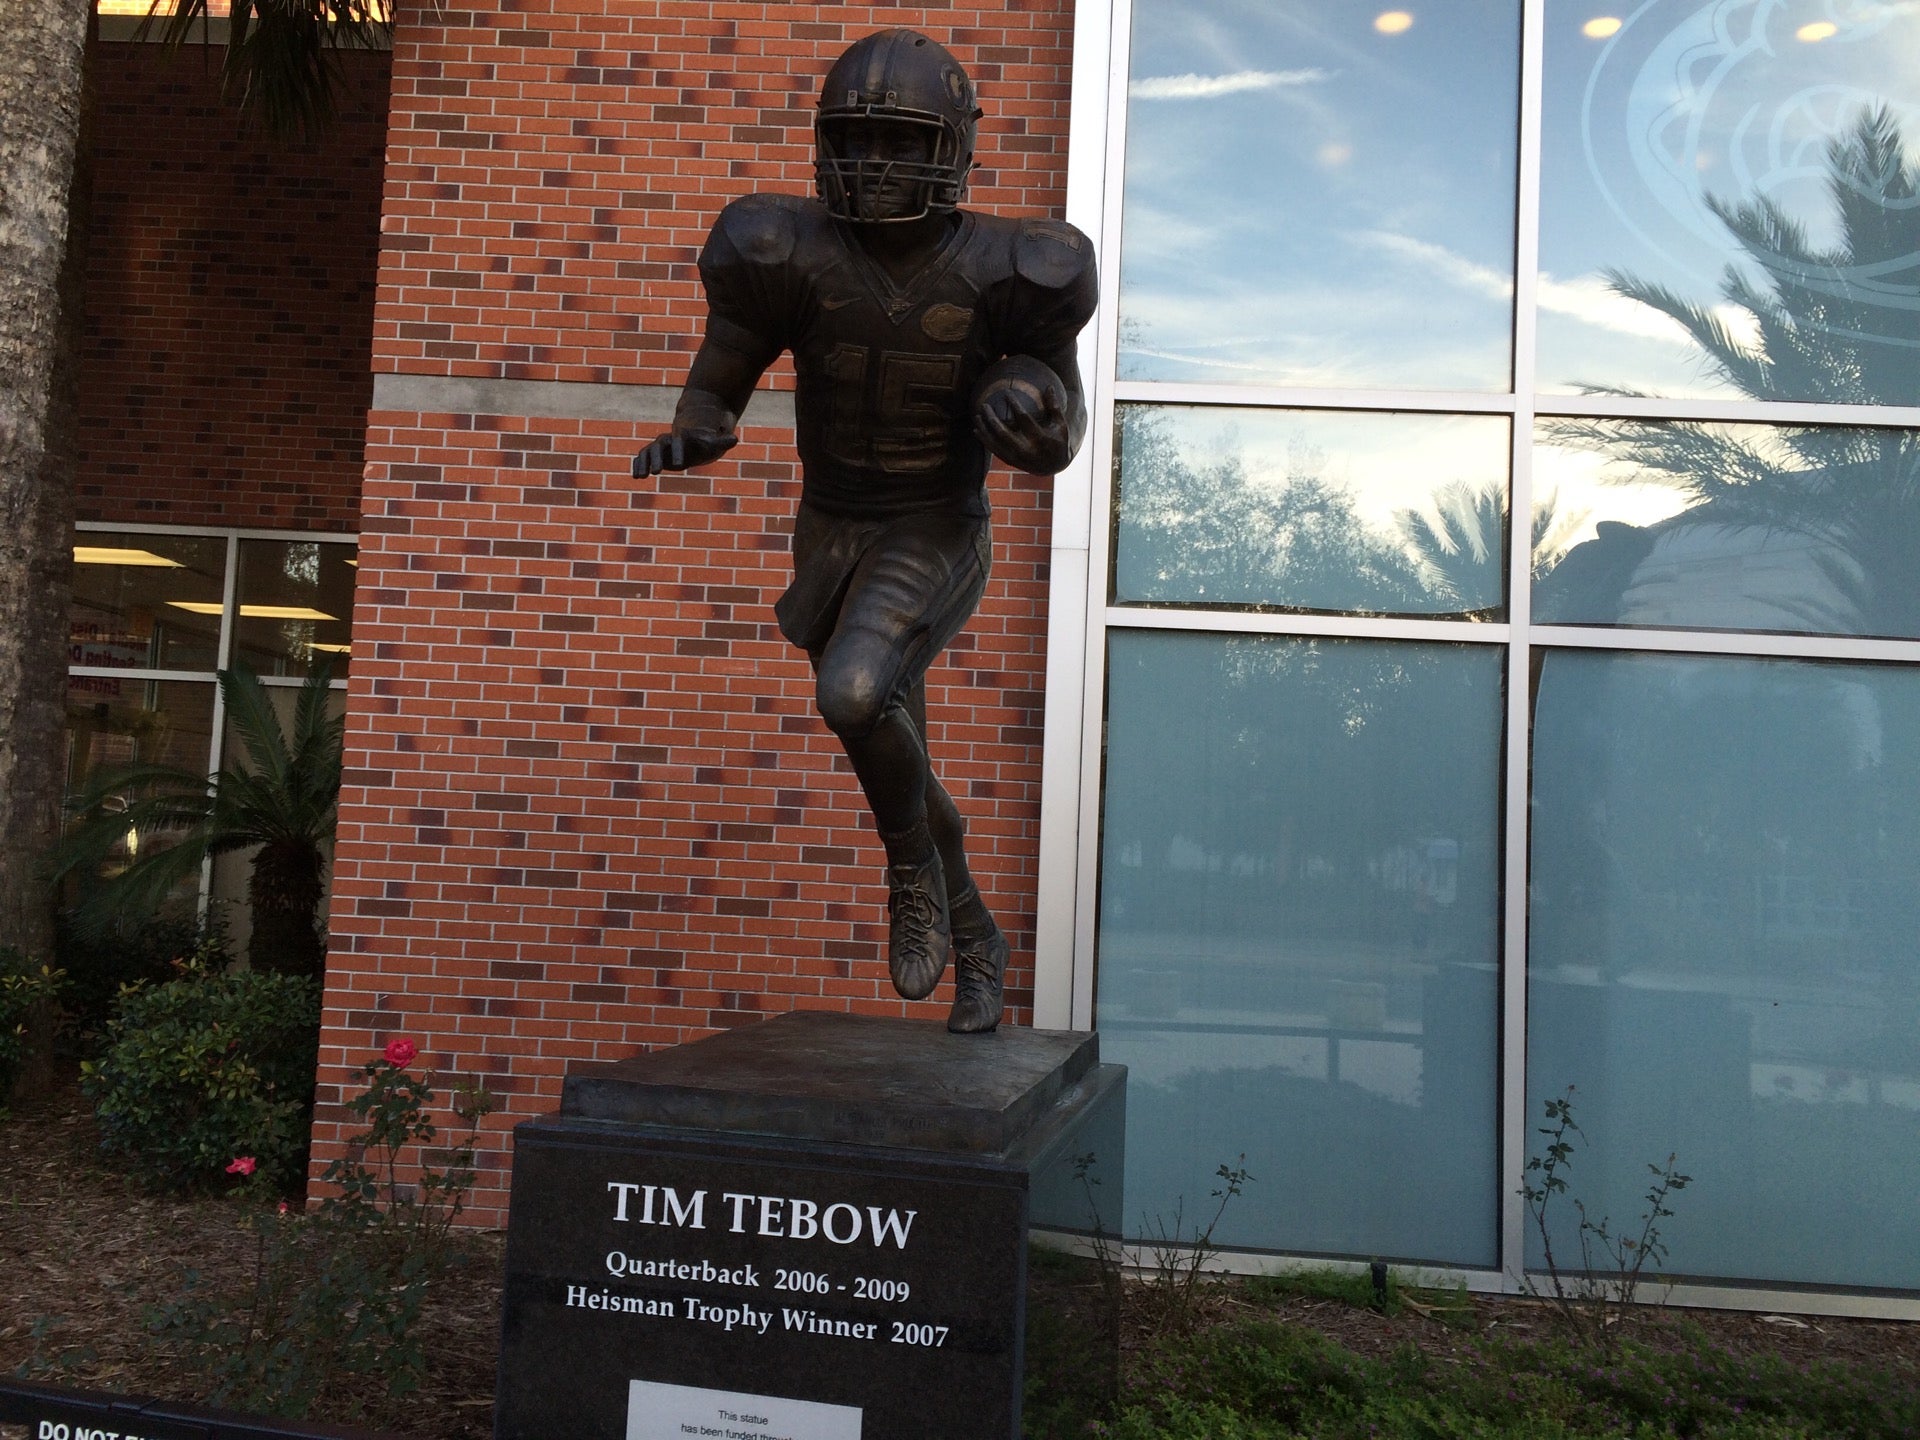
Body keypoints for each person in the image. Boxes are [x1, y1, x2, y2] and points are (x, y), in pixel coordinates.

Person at [634, 28, 1097, 1034]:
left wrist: (1035, 407)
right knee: (887, 731)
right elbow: (723, 370)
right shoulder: (782, 248)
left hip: (934, 525)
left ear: (955, 148)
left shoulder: (1020, 267)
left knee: (852, 692)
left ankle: (912, 873)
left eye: (900, 141)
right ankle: (974, 926)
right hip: (831, 526)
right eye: (857, 140)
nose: (875, 163)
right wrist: (698, 429)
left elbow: (1061, 424)